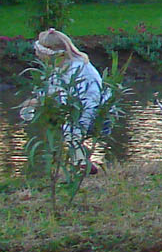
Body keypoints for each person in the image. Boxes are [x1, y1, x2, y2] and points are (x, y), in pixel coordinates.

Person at [21, 28, 108, 173]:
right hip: (79, 111)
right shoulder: (61, 67)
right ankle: (80, 163)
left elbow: (83, 100)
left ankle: (80, 164)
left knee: (71, 133)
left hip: (92, 112)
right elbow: (52, 91)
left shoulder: (77, 69)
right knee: (64, 130)